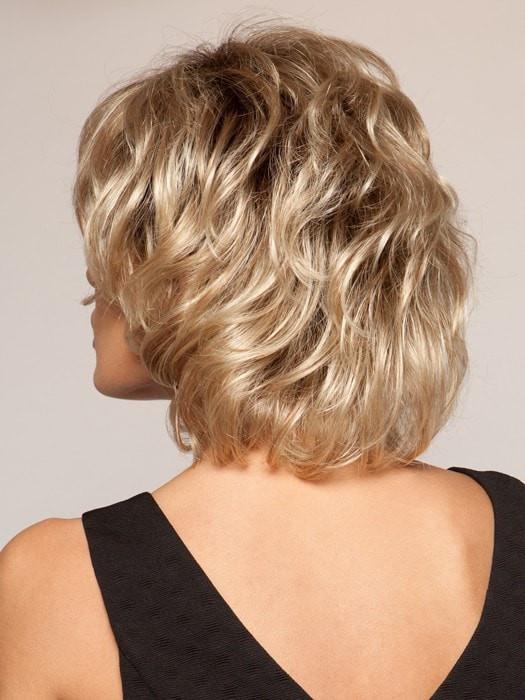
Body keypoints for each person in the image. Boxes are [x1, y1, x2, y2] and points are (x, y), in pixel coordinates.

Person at [1, 19, 524, 700]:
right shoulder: (511, 529)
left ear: (196, 273)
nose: (92, 286)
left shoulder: (61, 584)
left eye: (120, 243)